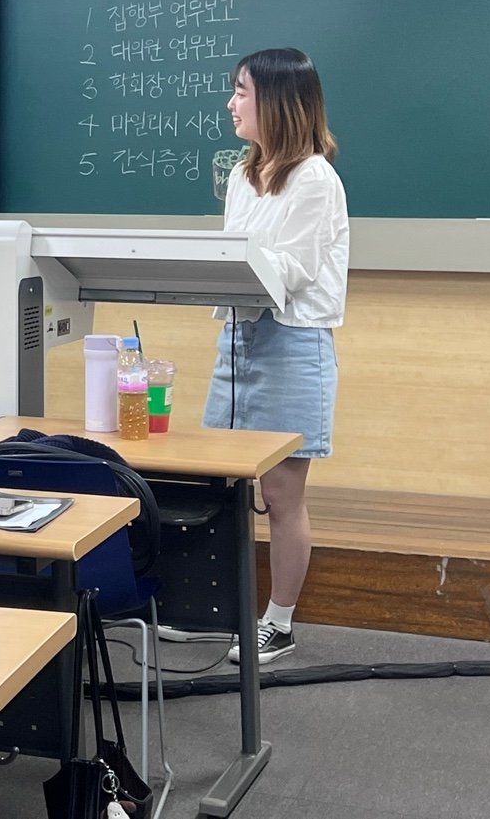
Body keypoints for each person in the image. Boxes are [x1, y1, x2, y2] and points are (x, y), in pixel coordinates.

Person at [203, 48, 348, 665]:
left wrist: (227, 269)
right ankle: (215, 610)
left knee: (281, 494)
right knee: (217, 482)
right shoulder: (242, 174)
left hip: (291, 343)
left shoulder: (313, 177)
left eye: (241, 92)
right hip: (238, 339)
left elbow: (292, 269)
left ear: (278, 101)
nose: (231, 103)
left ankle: (279, 623)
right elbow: (236, 254)